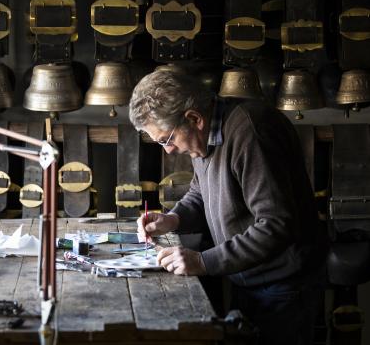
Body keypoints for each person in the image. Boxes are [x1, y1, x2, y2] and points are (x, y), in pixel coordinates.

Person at [129, 70, 328, 345]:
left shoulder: (252, 133)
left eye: (167, 139)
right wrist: (173, 219)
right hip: (248, 276)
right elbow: (200, 192)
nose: (168, 151)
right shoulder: (206, 135)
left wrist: (203, 261)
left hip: (283, 286)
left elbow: (276, 224)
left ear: (194, 118)